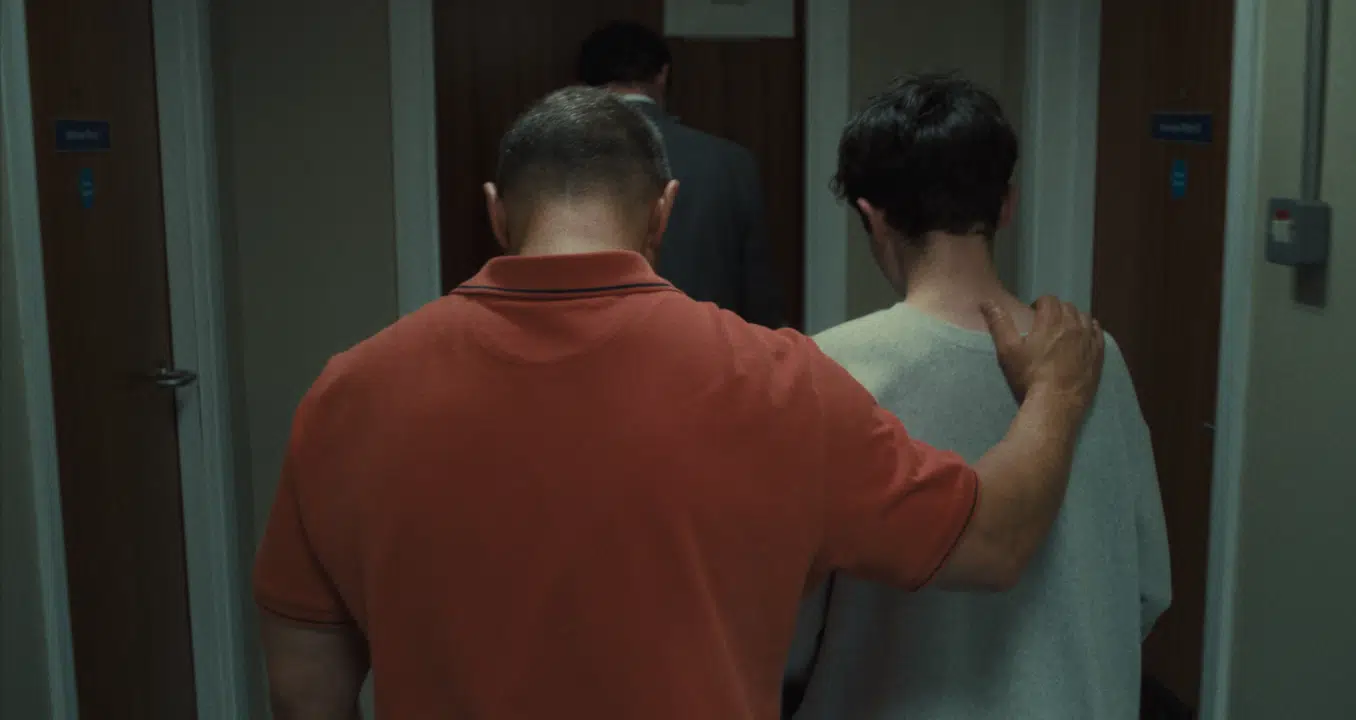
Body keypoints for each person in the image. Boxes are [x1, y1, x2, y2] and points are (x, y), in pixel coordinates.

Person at [252, 86, 1107, 719]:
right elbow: (993, 542)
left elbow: (305, 692)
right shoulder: (781, 383)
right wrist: (1059, 391)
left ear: (497, 214)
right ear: (663, 212)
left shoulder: (348, 395)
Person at [784, 73, 1172, 720]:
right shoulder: (1093, 357)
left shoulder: (830, 368)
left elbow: (789, 629)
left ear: (872, 217)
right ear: (1006, 205)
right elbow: (1148, 588)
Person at [577, 21, 784, 327]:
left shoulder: (558, 161)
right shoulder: (730, 162)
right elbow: (759, 293)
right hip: (707, 344)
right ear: (662, 74)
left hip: (593, 343)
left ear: (586, 83)